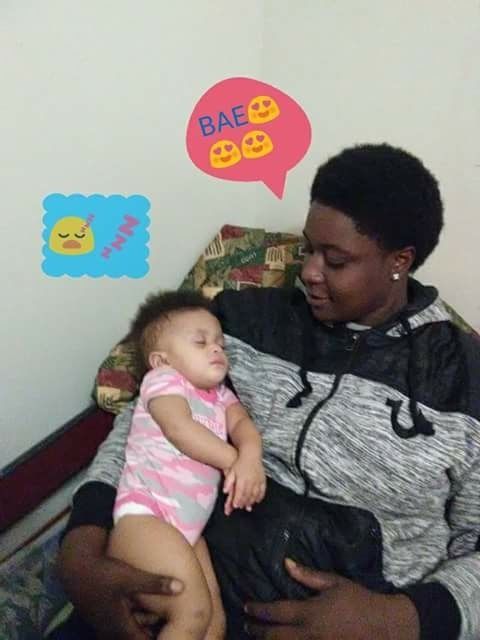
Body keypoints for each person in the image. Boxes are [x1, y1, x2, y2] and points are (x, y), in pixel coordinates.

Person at [54, 143, 480, 640]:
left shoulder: (463, 378)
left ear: (399, 261)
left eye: (335, 260)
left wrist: (401, 620)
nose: (310, 271)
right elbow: (148, 419)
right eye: (309, 249)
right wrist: (82, 550)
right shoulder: (241, 323)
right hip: (174, 587)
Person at [107, 291, 266, 640]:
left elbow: (243, 426)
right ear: (161, 360)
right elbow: (178, 429)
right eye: (200, 342)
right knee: (192, 611)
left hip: (188, 531)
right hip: (146, 518)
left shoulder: (222, 396)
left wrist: (251, 456)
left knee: (214, 623)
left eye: (220, 343)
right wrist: (234, 462)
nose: (216, 349)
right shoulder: (164, 381)